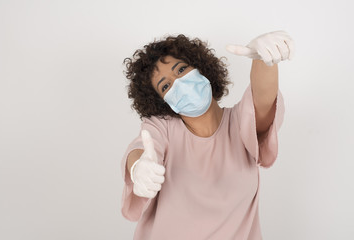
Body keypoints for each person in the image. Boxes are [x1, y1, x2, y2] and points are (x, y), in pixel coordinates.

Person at [120, 31, 294, 239]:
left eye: (182, 69)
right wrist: (138, 167)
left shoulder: (240, 123)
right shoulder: (162, 128)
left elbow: (263, 102)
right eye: (166, 86)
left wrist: (263, 61)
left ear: (201, 68)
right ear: (162, 102)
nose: (179, 83)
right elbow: (143, 147)